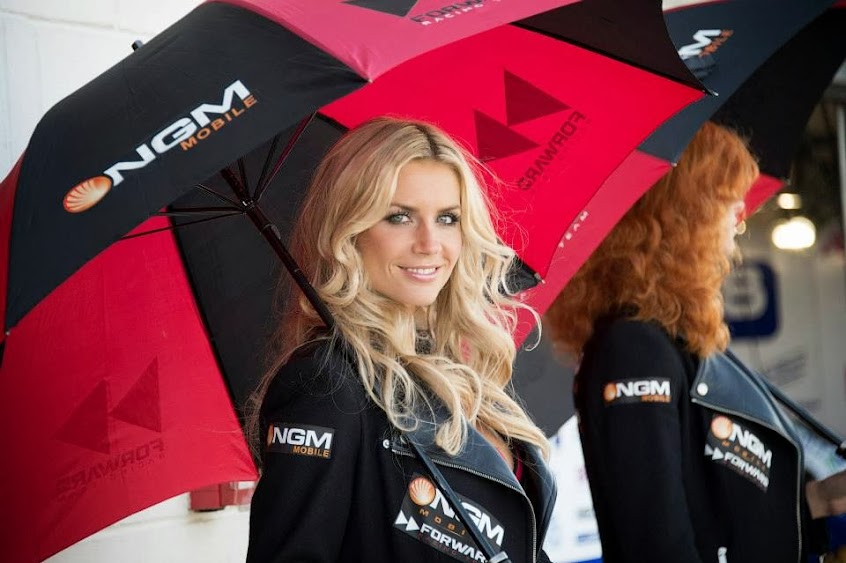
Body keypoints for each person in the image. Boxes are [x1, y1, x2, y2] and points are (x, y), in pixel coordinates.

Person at [246, 116, 557, 563]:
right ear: (349, 233)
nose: (430, 243)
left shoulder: (464, 370)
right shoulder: (326, 381)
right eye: (399, 217)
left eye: (448, 218)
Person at [544, 121, 825, 562]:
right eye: (725, 201)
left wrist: (823, 502)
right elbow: (656, 538)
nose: (739, 217)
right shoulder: (633, 349)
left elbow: (721, 515)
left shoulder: (669, 339)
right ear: (684, 216)